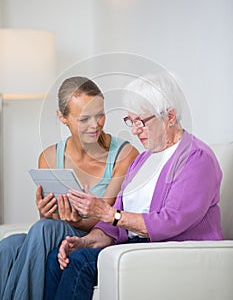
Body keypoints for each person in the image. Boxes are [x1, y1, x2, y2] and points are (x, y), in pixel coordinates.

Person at [44, 70, 224, 300]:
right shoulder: (143, 160)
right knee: (59, 258)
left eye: (141, 121)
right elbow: (113, 226)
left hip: (175, 251)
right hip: (138, 247)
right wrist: (85, 241)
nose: (135, 130)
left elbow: (169, 222)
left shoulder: (196, 158)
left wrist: (108, 213)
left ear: (170, 117)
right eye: (131, 121)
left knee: (79, 263)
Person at [0, 76, 139, 300]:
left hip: (97, 235)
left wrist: (74, 221)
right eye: (84, 119)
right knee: (8, 245)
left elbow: (109, 217)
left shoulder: (124, 154)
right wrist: (45, 210)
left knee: (43, 228)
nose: (95, 125)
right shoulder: (49, 157)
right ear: (63, 117)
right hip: (56, 232)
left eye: (100, 115)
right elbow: (50, 217)